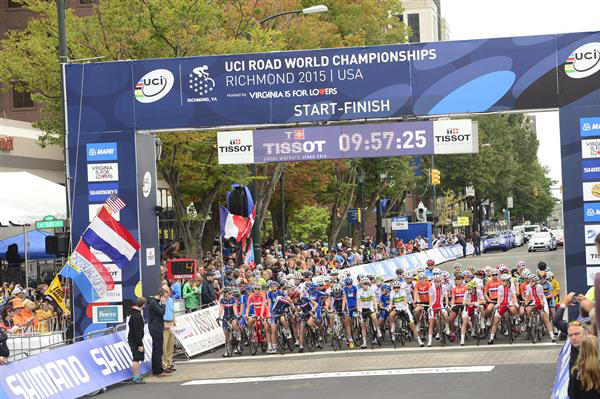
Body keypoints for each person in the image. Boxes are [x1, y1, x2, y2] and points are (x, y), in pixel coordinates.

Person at [147, 288, 168, 377]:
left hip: (158, 326)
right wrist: (163, 304)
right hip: (155, 328)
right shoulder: (153, 303)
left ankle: (158, 369)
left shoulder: (155, 302)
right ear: (160, 295)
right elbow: (161, 312)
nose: (165, 299)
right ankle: (158, 371)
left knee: (158, 349)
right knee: (158, 349)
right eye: (165, 297)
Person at [128, 297, 146, 384]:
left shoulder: (134, 314)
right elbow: (137, 332)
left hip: (133, 338)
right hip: (135, 339)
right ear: (143, 305)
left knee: (137, 358)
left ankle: (137, 375)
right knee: (136, 358)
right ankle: (135, 377)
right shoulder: (137, 316)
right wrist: (140, 345)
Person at [162, 285, 176, 373]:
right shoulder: (161, 301)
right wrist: (162, 323)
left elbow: (172, 311)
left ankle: (169, 362)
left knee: (170, 345)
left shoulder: (171, 300)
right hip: (164, 323)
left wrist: (174, 322)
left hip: (171, 323)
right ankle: (164, 364)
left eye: (168, 291)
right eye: (165, 292)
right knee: (164, 345)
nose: (167, 293)